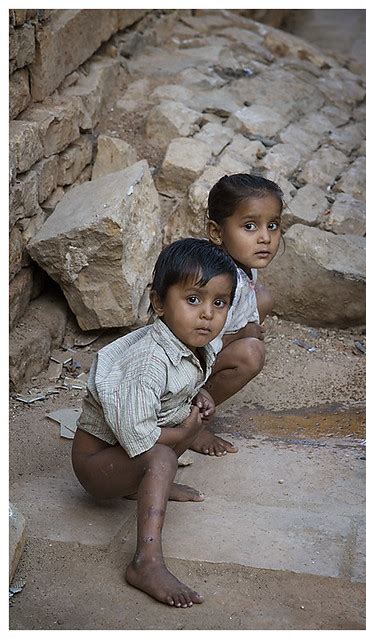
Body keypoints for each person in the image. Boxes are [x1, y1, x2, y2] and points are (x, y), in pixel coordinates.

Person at [71, 238, 237, 608]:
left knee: (174, 434)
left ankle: (145, 485)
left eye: (219, 303)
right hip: (96, 466)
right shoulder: (148, 361)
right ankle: (145, 562)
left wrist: (199, 397)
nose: (207, 314)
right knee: (161, 456)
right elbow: (138, 435)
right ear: (159, 302)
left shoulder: (198, 344)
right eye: (193, 299)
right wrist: (188, 431)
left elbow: (175, 393)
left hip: (124, 451)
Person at [189, 173, 283, 458]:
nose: (265, 237)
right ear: (217, 233)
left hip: (204, 347)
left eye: (273, 225)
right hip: (181, 359)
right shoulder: (219, 280)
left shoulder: (238, 266)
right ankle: (190, 421)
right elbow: (196, 338)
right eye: (250, 226)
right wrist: (245, 334)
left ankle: (198, 395)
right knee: (251, 353)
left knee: (262, 299)